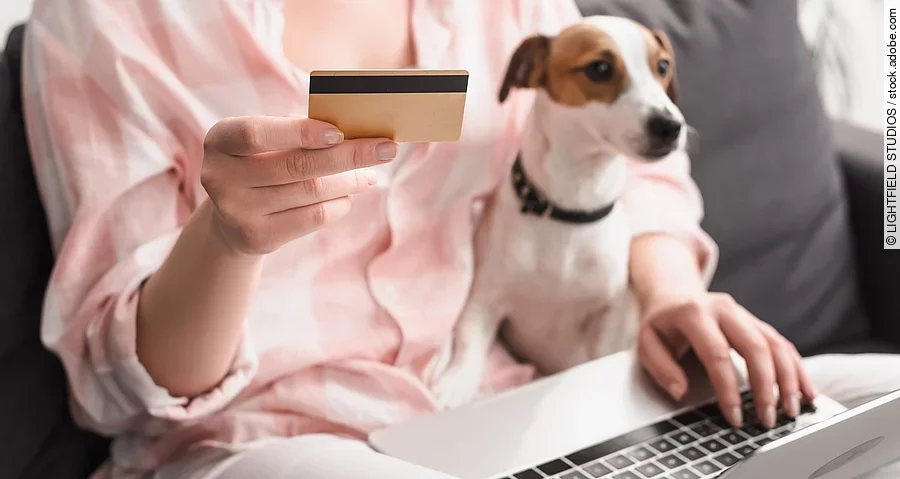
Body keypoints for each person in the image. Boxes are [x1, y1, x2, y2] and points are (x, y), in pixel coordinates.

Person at [19, 0, 900, 478]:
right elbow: (117, 393)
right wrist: (226, 239)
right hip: (277, 439)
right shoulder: (109, 20)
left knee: (880, 402)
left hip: (527, 413)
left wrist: (670, 298)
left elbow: (644, 169)